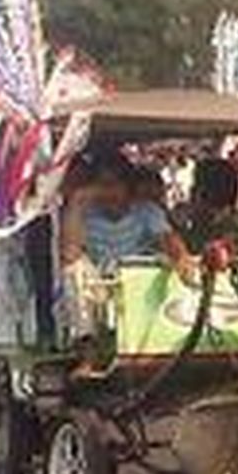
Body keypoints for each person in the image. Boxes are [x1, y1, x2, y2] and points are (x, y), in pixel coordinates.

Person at [60, 150, 197, 364]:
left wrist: (181, 257)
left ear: (129, 188)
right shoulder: (85, 214)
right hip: (99, 290)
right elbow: (70, 253)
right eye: (103, 185)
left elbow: (168, 239)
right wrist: (78, 200)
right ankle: (88, 354)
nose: (109, 192)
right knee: (73, 270)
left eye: (116, 184)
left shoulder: (146, 211)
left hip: (141, 290)